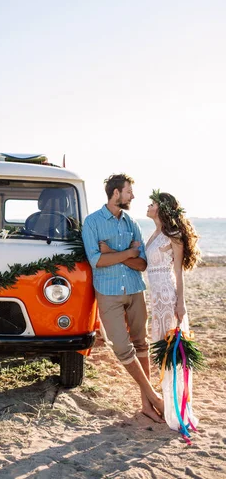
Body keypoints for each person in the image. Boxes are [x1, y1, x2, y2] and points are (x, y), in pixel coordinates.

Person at [82, 174, 164, 422]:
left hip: (135, 289)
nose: (133, 196)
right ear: (116, 193)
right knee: (121, 347)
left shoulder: (132, 223)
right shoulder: (92, 222)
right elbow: (97, 261)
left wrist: (116, 253)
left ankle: (146, 406)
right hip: (108, 294)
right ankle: (152, 395)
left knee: (141, 344)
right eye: (129, 191)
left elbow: (140, 264)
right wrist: (128, 251)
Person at [146, 189, 200, 430]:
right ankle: (168, 403)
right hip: (154, 300)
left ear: (162, 208)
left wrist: (181, 302)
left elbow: (178, 273)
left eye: (152, 203)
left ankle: (176, 408)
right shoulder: (154, 233)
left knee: (170, 353)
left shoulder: (173, 235)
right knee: (160, 350)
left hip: (167, 298)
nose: (148, 206)